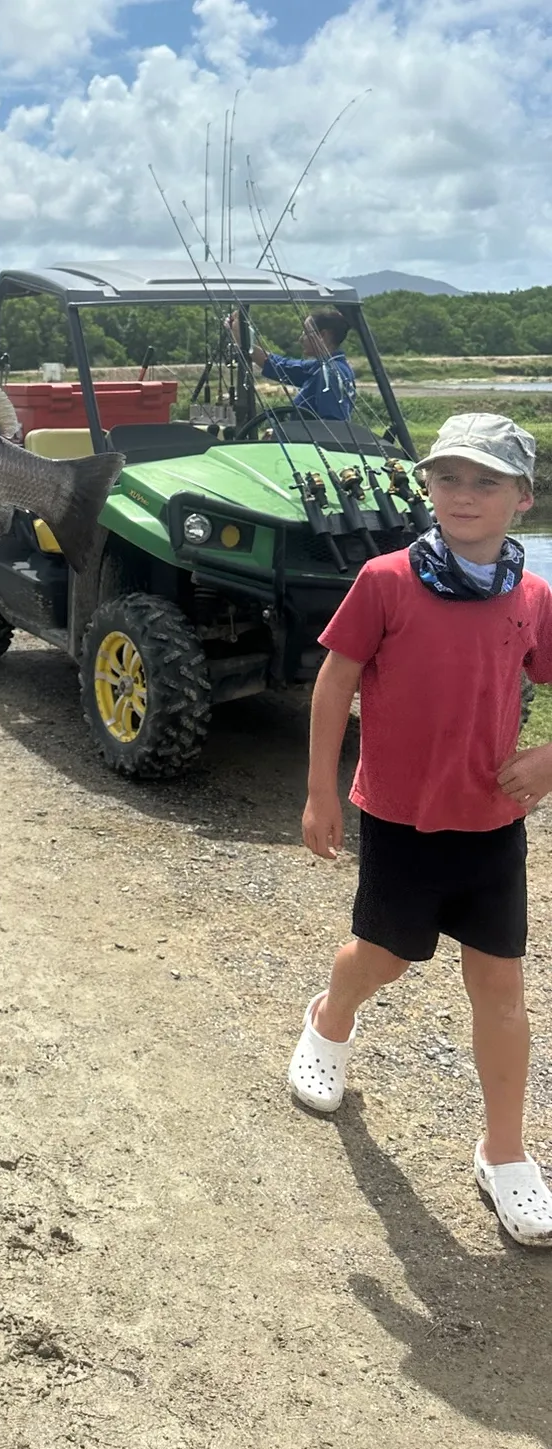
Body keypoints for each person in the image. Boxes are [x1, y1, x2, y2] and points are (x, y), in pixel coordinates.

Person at [291, 411, 552, 1247]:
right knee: (386, 957)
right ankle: (331, 1017)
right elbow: (334, 684)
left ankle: (505, 1152)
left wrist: (550, 758)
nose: (464, 496)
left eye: (487, 482)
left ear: (523, 499)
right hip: (400, 818)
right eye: (448, 478)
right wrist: (320, 793)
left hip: (492, 825)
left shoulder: (534, 595)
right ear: (426, 486)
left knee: (501, 989)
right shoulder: (386, 580)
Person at [226, 306, 358, 421]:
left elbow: (332, 427)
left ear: (323, 335)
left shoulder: (329, 373)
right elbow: (280, 366)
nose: (301, 339)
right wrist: (243, 340)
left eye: (306, 333)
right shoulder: (323, 367)